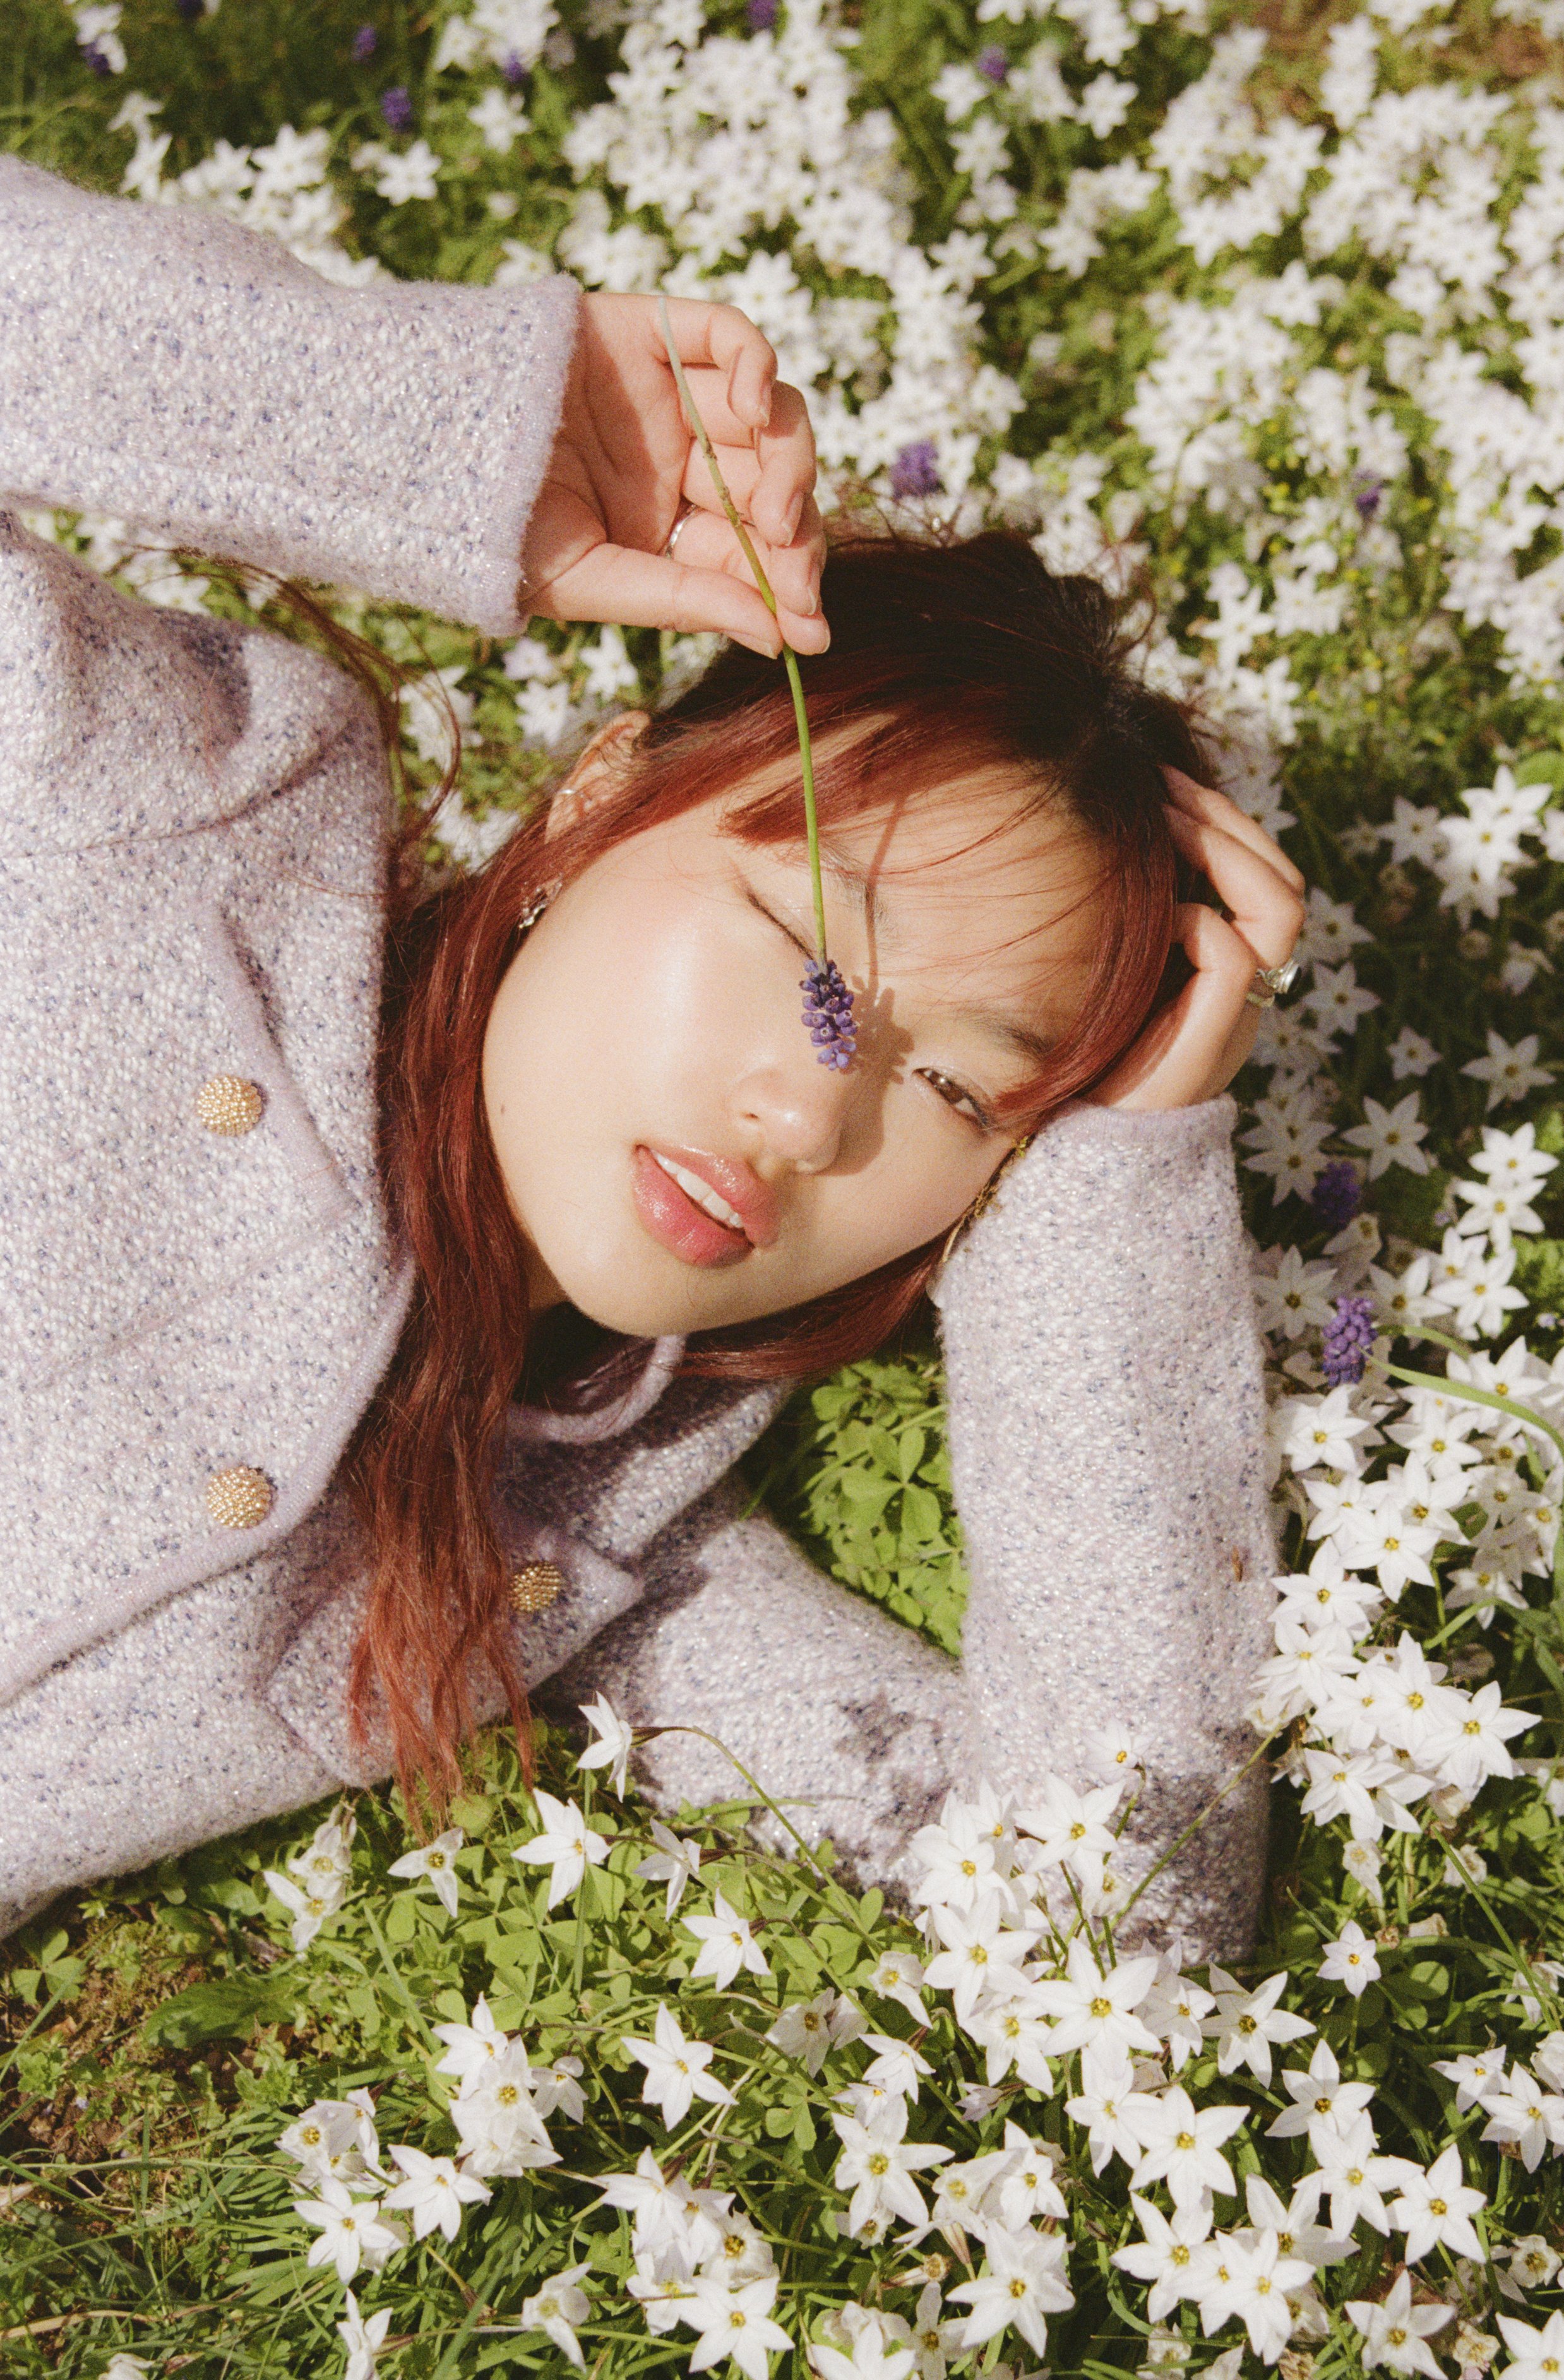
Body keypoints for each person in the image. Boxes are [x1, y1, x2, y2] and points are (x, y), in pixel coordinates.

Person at [0, 155, 1302, 1958]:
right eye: (804, 950)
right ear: (604, 792)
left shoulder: (576, 1541)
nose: (812, 1103)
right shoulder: (155, 814)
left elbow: (1111, 1925)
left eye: (955, 1092)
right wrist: (421, 432)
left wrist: (1119, 1188)